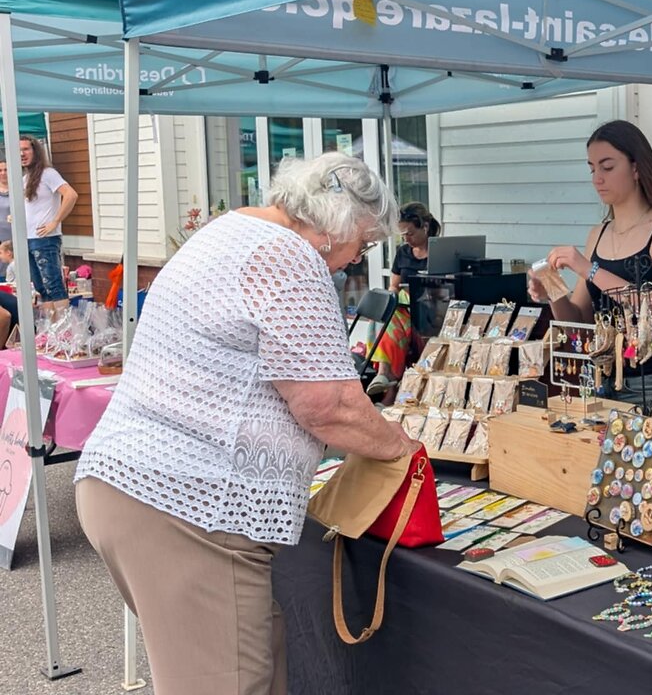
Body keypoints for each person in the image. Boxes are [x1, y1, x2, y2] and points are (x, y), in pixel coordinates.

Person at [74, 153, 423, 695]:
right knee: (233, 681)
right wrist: (403, 447)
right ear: (341, 224)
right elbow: (327, 404)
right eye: (366, 242)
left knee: (255, 659)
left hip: (139, 490)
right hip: (191, 508)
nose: (357, 259)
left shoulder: (231, 230)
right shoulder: (288, 257)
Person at [528, 120, 652, 414]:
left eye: (607, 167)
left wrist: (589, 270)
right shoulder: (597, 234)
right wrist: (551, 289)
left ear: (636, 168)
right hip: (601, 384)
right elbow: (578, 319)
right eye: (592, 168)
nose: (597, 178)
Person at [367, 203, 440, 397]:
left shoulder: (440, 251)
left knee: (392, 322)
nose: (406, 239)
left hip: (432, 309)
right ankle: (384, 375)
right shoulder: (403, 252)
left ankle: (387, 382)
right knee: (388, 318)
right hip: (406, 307)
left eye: (410, 233)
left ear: (424, 227)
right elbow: (394, 286)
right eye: (403, 235)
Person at [17, 135, 76, 310]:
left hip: (45, 238)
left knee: (54, 285)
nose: (22, 154)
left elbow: (71, 195)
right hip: (28, 239)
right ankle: (51, 329)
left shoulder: (48, 173)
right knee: (41, 288)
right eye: (18, 150)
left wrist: (55, 221)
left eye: (26, 149)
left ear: (35, 151)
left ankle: (64, 330)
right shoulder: (25, 179)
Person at [0, 159, 12, 245]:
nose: (3, 173)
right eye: (0, 170)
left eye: (6, 170)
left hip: (16, 238)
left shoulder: (20, 190)